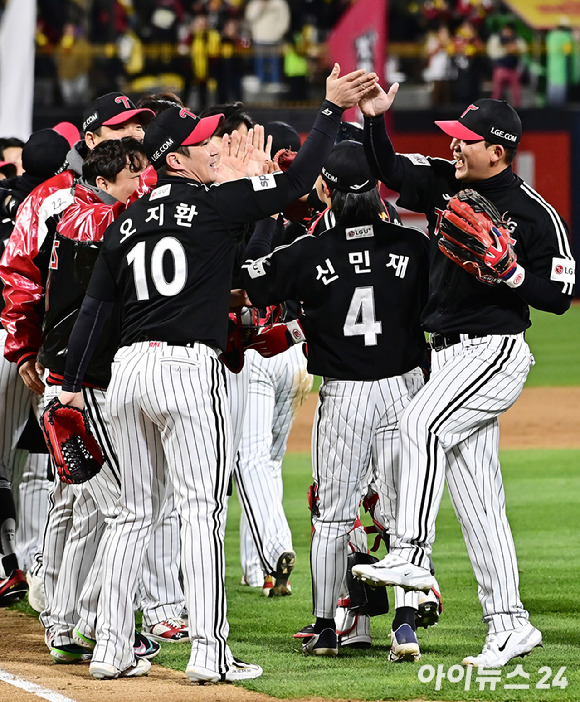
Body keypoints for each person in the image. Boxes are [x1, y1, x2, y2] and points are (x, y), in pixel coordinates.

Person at [56, 64, 378, 682]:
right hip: (185, 368)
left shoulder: (124, 220)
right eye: (203, 141)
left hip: (126, 371)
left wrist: (71, 384)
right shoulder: (217, 202)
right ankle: (209, 653)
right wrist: (331, 111)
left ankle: (111, 649)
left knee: (131, 515)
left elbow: (96, 310)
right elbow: (301, 180)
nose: (216, 146)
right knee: (199, 510)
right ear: (175, 159)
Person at [351, 82, 576, 667]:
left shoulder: (534, 212)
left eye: (466, 141)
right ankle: (510, 624)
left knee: (417, 423)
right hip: (448, 353)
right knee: (481, 504)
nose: (453, 148)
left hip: (494, 350)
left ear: (498, 150)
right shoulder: (446, 183)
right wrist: (374, 118)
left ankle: (411, 555)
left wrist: (511, 275)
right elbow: (390, 168)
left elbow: (560, 293)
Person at [240, 139, 430, 658]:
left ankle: (327, 626)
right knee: (403, 510)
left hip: (344, 395)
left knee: (333, 516)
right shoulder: (415, 247)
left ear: (324, 190)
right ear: (376, 187)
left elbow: (246, 280)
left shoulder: (307, 251)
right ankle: (407, 622)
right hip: (403, 392)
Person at [487, 22, 527, 107]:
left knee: (516, 94)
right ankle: (493, 110)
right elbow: (492, 53)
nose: (507, 32)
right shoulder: (496, 38)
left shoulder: (517, 38)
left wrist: (515, 49)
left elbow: (523, 49)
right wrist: (507, 49)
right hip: (500, 69)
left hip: (513, 69)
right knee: (497, 93)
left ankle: (517, 112)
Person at [545, 16, 580, 106]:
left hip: (554, 74)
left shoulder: (551, 36)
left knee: (554, 102)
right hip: (564, 76)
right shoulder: (567, 38)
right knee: (561, 102)